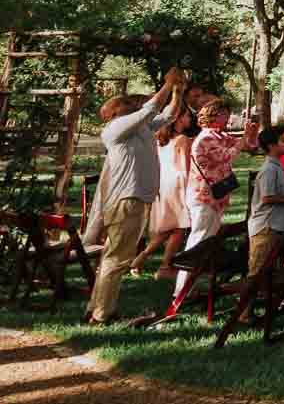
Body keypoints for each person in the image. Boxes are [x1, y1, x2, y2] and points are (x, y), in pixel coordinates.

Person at [83, 69, 186, 323]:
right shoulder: (116, 129)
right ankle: (102, 314)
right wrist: (167, 84)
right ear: (116, 112)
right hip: (127, 200)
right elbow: (150, 108)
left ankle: (97, 308)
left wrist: (177, 92)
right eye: (129, 104)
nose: (135, 105)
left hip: (135, 199)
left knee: (113, 256)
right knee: (117, 259)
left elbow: (168, 115)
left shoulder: (139, 129)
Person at [178, 96, 259, 296]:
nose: (228, 118)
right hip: (203, 196)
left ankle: (192, 285)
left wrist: (252, 134)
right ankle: (182, 288)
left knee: (208, 241)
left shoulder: (219, 135)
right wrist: (242, 141)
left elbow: (249, 147)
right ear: (214, 115)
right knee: (199, 240)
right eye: (225, 114)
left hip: (216, 196)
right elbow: (227, 155)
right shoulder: (207, 137)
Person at [243, 125, 284, 320]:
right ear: (271, 146)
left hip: (276, 225)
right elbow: (268, 197)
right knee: (257, 270)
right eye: (283, 140)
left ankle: (264, 307)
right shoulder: (269, 168)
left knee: (269, 270)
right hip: (265, 227)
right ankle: (244, 312)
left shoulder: (277, 165)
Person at [130, 104, 194, 278]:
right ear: (178, 118)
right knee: (179, 227)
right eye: (187, 116)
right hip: (177, 183)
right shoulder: (182, 140)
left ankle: (141, 259)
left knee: (169, 227)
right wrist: (191, 189)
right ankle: (165, 268)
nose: (190, 119)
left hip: (162, 182)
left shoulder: (158, 138)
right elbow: (185, 168)